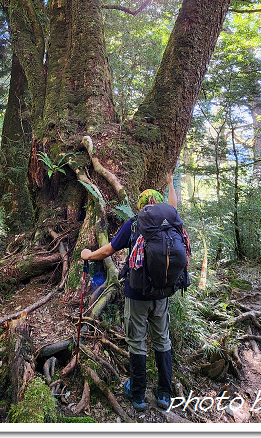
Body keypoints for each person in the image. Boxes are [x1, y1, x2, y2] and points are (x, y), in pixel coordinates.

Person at [80, 173, 183, 411]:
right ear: (159, 206)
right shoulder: (171, 222)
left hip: (137, 294)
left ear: (140, 206)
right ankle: (164, 394)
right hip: (162, 294)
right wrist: (169, 183)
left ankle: (137, 396)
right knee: (162, 340)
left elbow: (108, 251)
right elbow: (173, 206)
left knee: (137, 342)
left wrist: (88, 255)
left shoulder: (135, 223)